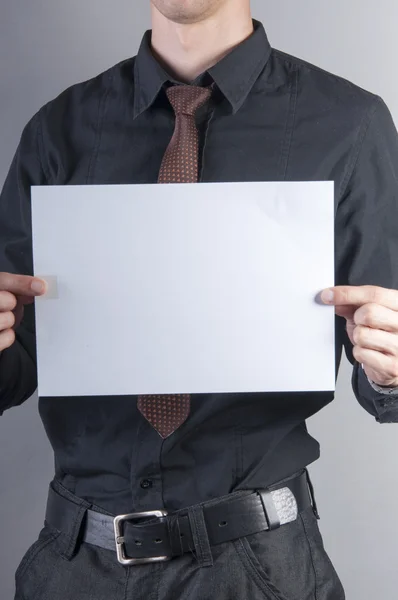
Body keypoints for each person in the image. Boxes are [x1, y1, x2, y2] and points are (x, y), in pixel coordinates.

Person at [1, 1, 398, 599]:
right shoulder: (59, 128)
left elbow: (384, 376)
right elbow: (14, 369)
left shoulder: (350, 122)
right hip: (75, 563)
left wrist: (391, 368)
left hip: (258, 567)